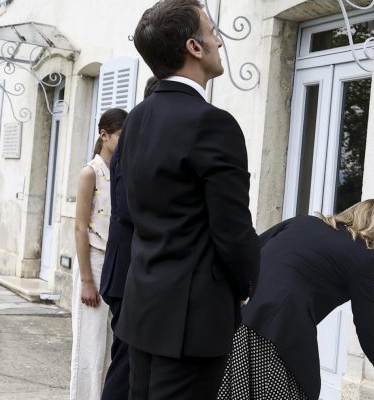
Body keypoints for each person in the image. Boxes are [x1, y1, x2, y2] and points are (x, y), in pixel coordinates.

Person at [117, 0, 261, 398]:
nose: (220, 39)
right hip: (192, 320)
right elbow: (233, 230)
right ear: (194, 48)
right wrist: (248, 282)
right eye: (212, 30)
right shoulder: (213, 123)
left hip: (143, 306)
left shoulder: (136, 120)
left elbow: (129, 214)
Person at [219, 199, 374, 399]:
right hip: (280, 332)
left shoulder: (303, 222)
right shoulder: (363, 257)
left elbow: (252, 251)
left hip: (239, 322)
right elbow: (368, 328)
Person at [98, 78, 158, 400]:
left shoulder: (136, 137)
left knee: (130, 362)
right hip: (125, 273)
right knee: (125, 362)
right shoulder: (134, 140)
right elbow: (124, 211)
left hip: (130, 270)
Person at [71, 107, 127, 400]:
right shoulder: (89, 173)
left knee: (112, 348)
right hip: (93, 260)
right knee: (90, 348)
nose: (125, 141)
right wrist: (86, 280)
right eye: (120, 135)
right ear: (104, 135)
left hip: (116, 264)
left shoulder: (122, 173)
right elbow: (81, 228)